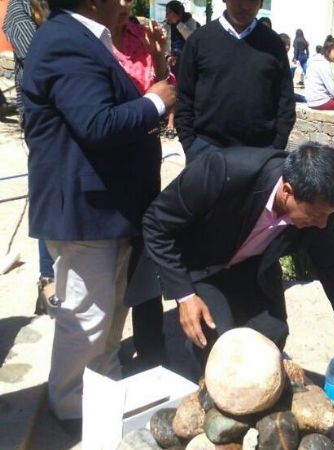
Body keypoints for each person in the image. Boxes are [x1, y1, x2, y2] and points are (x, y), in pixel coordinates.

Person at [141, 142, 334, 404]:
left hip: (251, 267)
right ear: (287, 192)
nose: (322, 224)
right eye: (316, 215)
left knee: (272, 334)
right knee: (218, 345)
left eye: (328, 216)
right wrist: (185, 296)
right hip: (202, 264)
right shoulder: (223, 171)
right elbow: (155, 224)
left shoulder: (320, 210)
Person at [21, 0, 175, 427]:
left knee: (108, 315)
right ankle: (72, 405)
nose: (126, 2)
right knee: (87, 316)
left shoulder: (85, 38)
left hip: (107, 208)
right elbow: (95, 123)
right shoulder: (66, 41)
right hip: (84, 209)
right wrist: (155, 102)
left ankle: (103, 389)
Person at [110, 8, 176, 370]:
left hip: (145, 158)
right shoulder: (89, 41)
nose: (124, 4)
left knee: (145, 253)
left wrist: (159, 55)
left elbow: (164, 89)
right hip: (109, 162)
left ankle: (151, 345)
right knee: (107, 264)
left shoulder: (139, 35)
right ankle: (104, 351)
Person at [175, 0, 295, 163]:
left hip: (261, 154)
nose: (245, 6)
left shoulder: (273, 45)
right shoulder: (199, 40)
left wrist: (276, 146)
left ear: (261, 3)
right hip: (206, 150)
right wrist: (191, 146)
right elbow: (184, 98)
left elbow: (285, 100)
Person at [4, 0, 53, 316]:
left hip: (70, 110)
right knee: (48, 194)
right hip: (42, 118)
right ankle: (48, 279)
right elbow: (36, 57)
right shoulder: (19, 10)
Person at [161, 0, 197, 139]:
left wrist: (178, 24)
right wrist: (167, 57)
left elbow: (191, 39)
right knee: (172, 89)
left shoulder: (190, 22)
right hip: (172, 62)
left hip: (187, 62)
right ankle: (170, 123)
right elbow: (164, 46)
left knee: (185, 90)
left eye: (169, 12)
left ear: (178, 14)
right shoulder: (165, 26)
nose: (166, 15)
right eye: (166, 12)